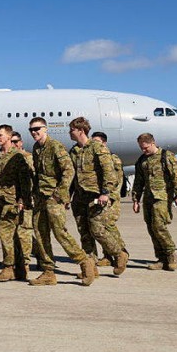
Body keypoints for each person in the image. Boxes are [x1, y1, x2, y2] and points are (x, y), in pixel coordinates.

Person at [28, 117, 96, 286]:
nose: (34, 132)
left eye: (37, 129)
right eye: (31, 130)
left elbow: (69, 170)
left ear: (45, 129)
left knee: (60, 232)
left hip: (53, 197)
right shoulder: (36, 148)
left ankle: (84, 261)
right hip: (40, 197)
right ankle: (48, 272)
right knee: (40, 233)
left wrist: (60, 193)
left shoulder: (55, 146)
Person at [67, 117, 128, 276]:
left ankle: (119, 253)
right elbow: (72, 176)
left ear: (81, 130)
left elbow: (109, 171)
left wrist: (106, 193)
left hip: (96, 196)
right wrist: (67, 196)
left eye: (72, 129)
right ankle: (91, 268)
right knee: (84, 233)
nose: (69, 132)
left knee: (97, 229)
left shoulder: (97, 147)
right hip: (79, 197)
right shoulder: (73, 151)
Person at [0, 124, 32, 282]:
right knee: (10, 236)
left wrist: (23, 200)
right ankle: (20, 268)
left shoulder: (18, 156)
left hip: (13, 202)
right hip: (1, 202)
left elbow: (25, 180)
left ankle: (9, 267)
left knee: (7, 234)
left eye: (0, 135)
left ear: (9, 136)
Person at [131, 132, 177, 270]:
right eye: (141, 148)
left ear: (153, 143)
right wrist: (136, 200)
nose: (144, 150)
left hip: (163, 197)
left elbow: (176, 176)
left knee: (159, 226)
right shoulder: (142, 160)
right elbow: (138, 182)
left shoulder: (166, 156)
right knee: (151, 228)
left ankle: (171, 254)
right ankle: (161, 258)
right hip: (148, 198)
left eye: (146, 147)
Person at [91, 131, 128, 266]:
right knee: (102, 226)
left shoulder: (112, 158)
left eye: (97, 142)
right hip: (101, 197)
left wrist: (109, 196)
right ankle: (108, 256)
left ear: (104, 143)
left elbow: (116, 181)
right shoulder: (95, 158)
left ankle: (121, 252)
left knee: (108, 225)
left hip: (111, 198)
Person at [11, 131, 35, 278]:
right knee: (15, 234)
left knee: (24, 232)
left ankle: (24, 265)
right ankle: (38, 254)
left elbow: (31, 180)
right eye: (11, 142)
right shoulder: (7, 158)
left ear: (21, 143)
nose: (13, 145)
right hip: (11, 202)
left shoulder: (29, 158)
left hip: (26, 201)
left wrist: (24, 199)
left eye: (16, 142)